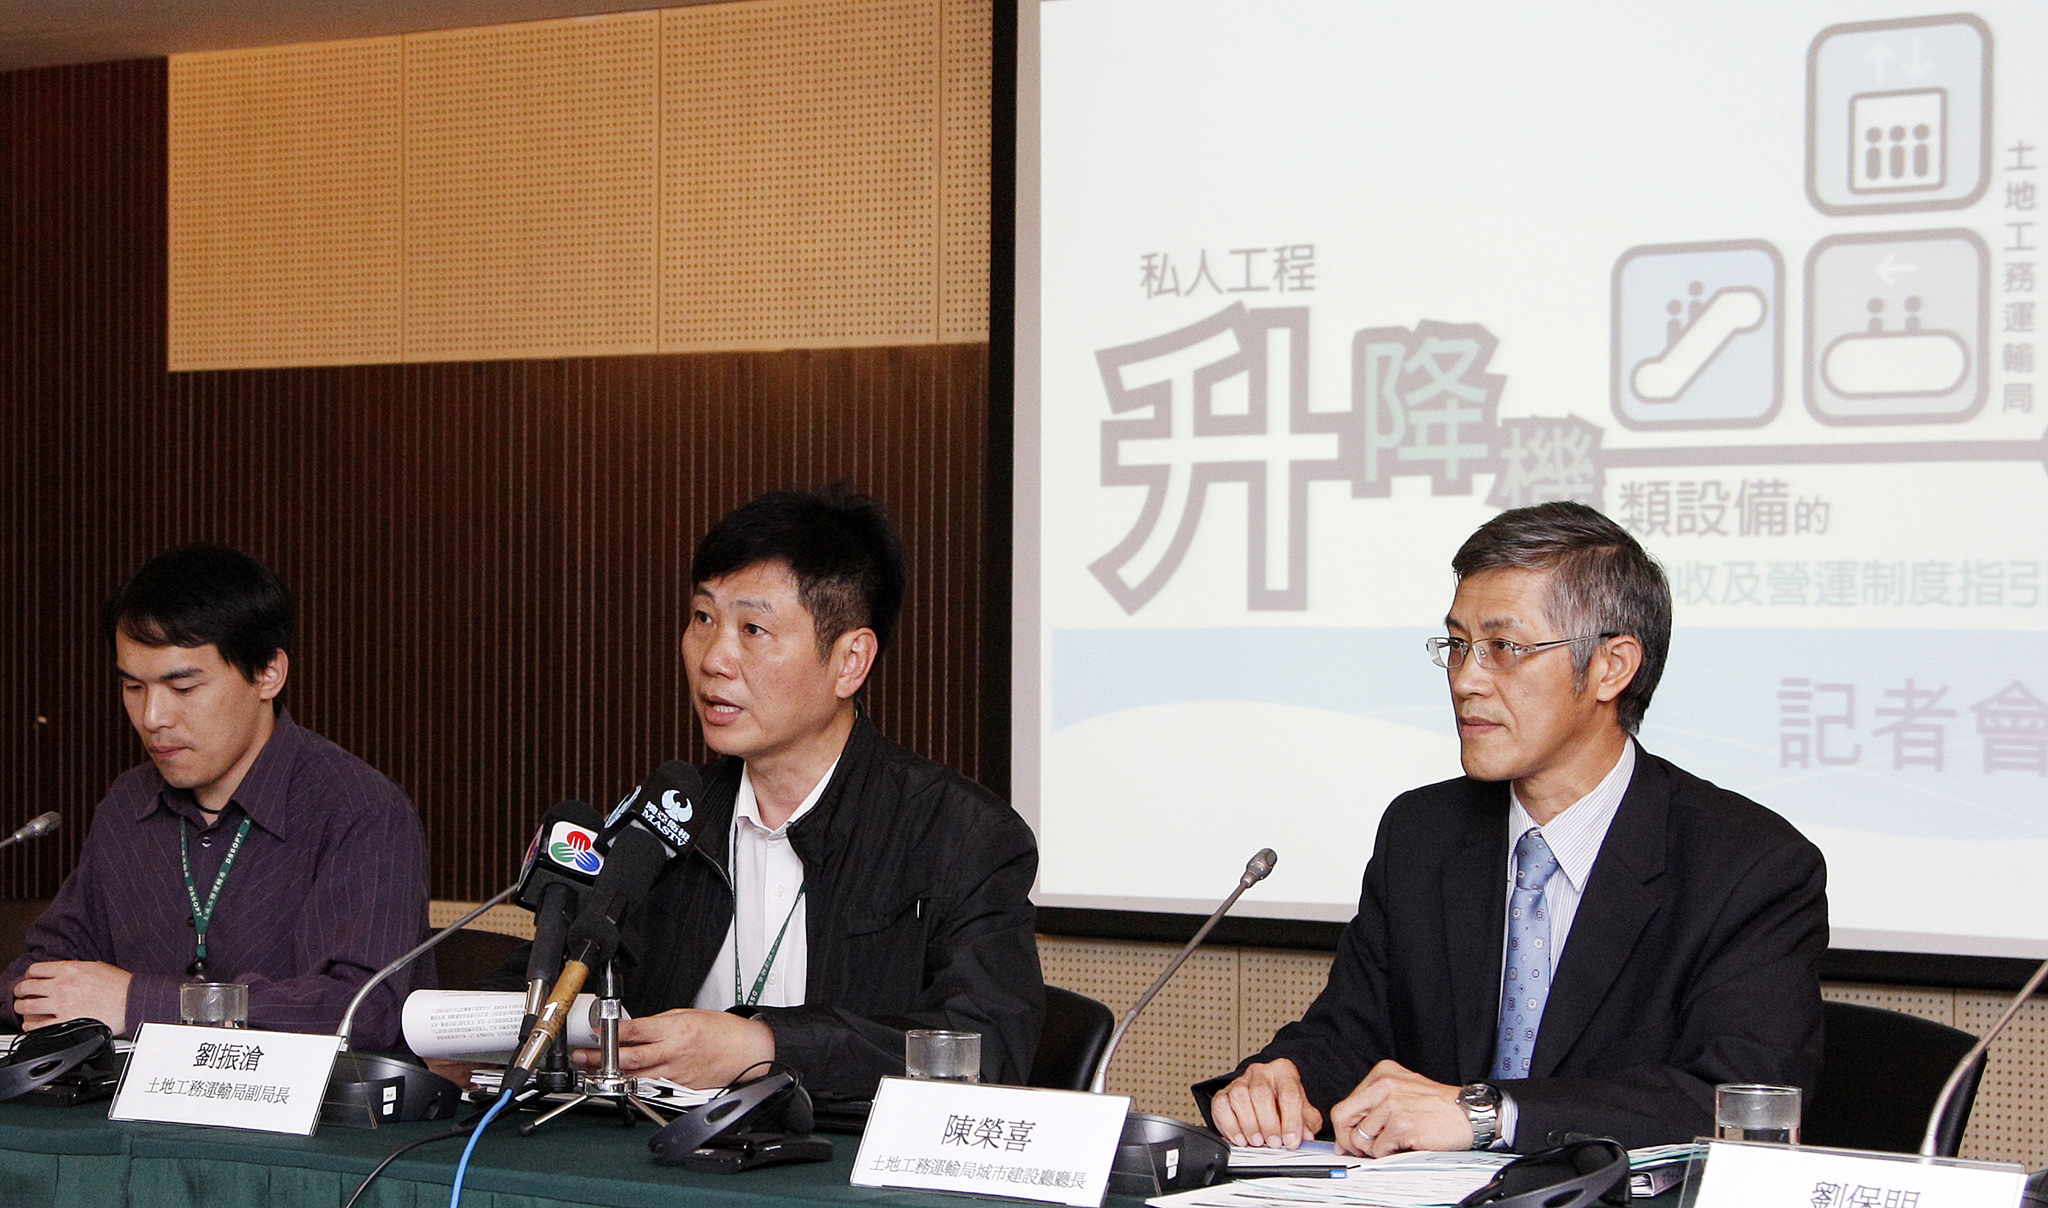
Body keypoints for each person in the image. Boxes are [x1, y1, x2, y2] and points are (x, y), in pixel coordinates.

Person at [1202, 501, 1826, 1154]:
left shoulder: (1749, 866)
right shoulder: (1422, 835)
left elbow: (1740, 1099)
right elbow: (1351, 1034)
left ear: (1612, 666)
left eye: (1503, 648)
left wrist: (1488, 1115)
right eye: (1457, 646)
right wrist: (1286, 1077)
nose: (1466, 680)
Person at [504, 487, 1042, 1099]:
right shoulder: (670, 821)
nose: (714, 658)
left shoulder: (962, 836)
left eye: (753, 629)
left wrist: (768, 1048)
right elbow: (552, 976)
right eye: (703, 618)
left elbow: (988, 1050)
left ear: (850, 661)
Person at [4, 545, 431, 1049]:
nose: (153, 718)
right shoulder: (128, 804)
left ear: (268, 673)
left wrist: (142, 1004)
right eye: (134, 688)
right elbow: (42, 971)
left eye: (183, 688)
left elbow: (363, 1011)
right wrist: (36, 995)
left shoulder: (360, 811)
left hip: (306, 1100)